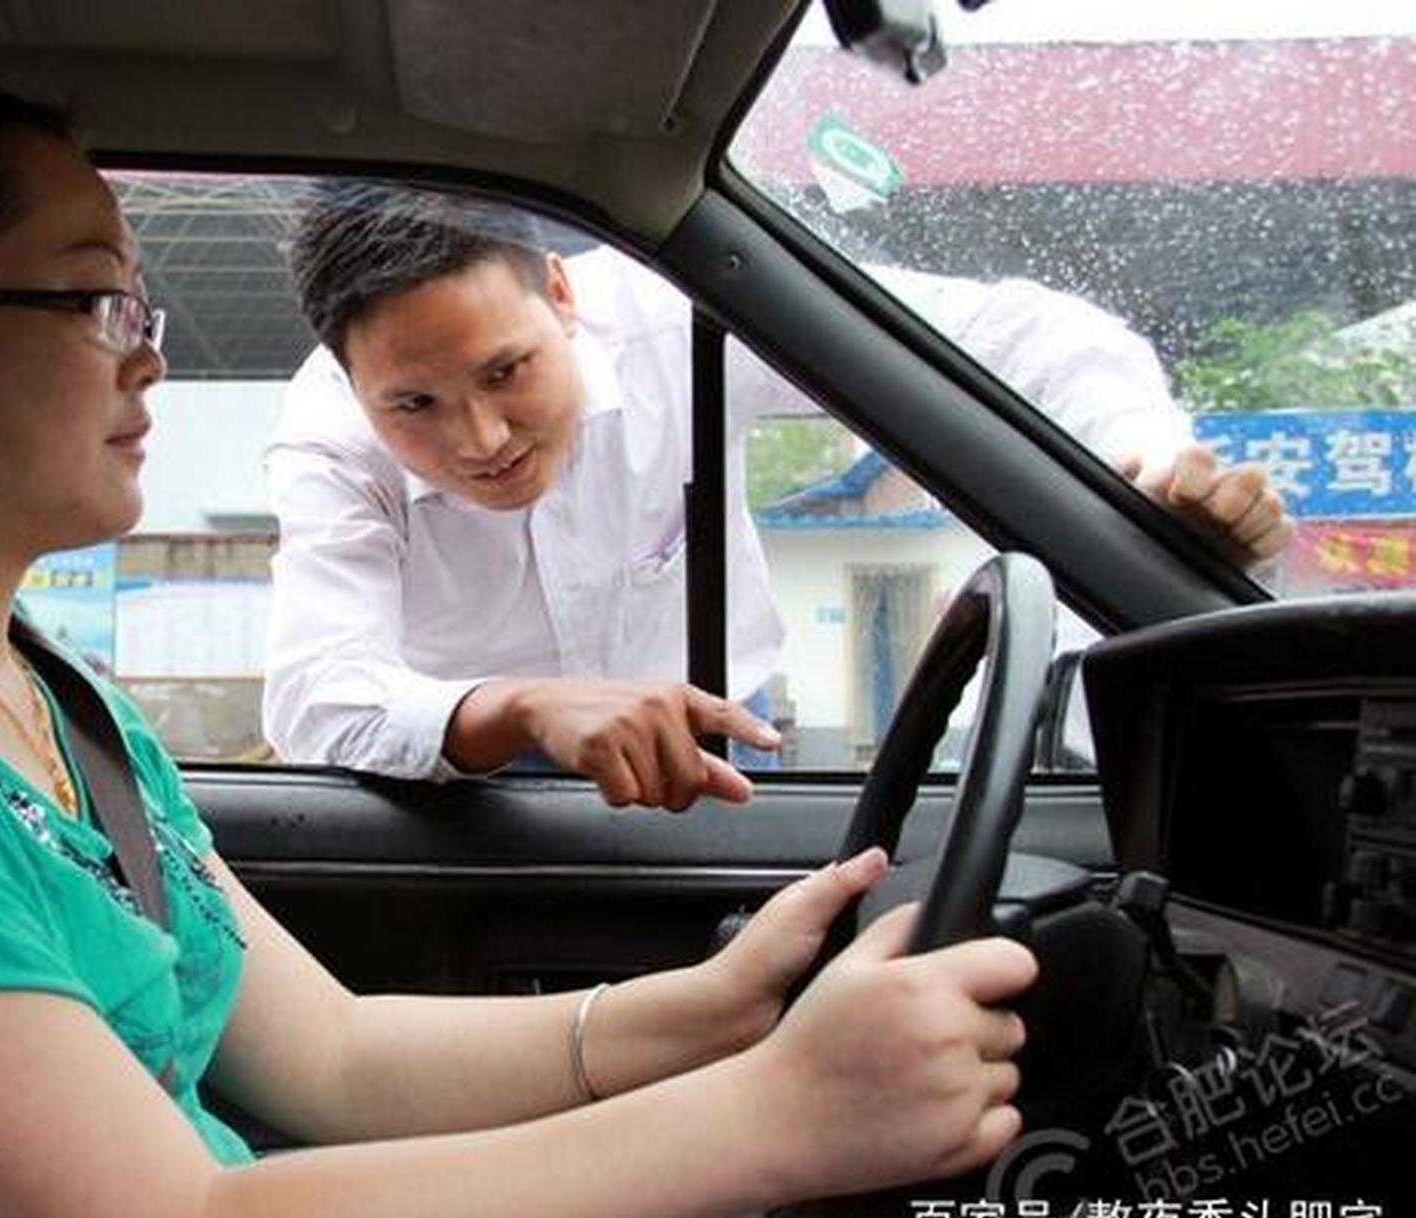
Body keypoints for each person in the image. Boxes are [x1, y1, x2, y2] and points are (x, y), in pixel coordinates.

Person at [0, 70, 1037, 1218]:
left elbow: (337, 1061)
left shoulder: (40, 690)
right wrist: (774, 1118)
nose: (148, 366)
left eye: (141, 310)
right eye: (100, 306)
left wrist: (716, 1010)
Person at [262, 193, 1293, 807]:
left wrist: (1144, 471)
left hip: (725, 746)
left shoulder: (682, 322)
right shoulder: (328, 434)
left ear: (559, 293)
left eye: (504, 373)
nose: (477, 440)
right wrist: (518, 704)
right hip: (464, 784)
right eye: (414, 404)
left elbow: (1024, 341)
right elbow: (316, 693)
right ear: (346, 376)